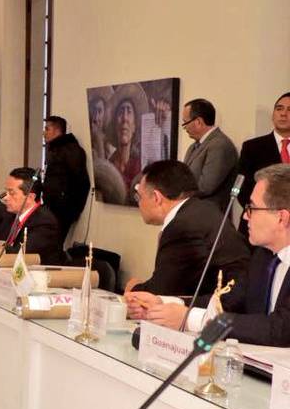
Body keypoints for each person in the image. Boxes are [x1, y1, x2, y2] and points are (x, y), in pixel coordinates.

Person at [131, 164, 290, 346]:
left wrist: (192, 320)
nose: (245, 216)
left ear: (281, 218)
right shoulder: (263, 257)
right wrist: (164, 303)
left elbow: (280, 329)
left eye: (252, 208)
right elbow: (229, 301)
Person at [123, 160, 249, 302]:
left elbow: (161, 292)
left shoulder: (182, 228)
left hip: (226, 306)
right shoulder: (203, 210)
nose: (139, 203)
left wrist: (134, 288)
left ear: (157, 198)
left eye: (139, 197)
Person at [237, 92, 290, 234]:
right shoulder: (252, 147)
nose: (283, 114)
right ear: (273, 115)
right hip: (260, 225)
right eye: (279, 109)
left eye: (289, 110)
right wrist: (266, 214)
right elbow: (243, 189)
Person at [1, 167, 67, 266]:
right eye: (6, 192)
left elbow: (21, 254)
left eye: (11, 193)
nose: (5, 198)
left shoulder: (45, 222)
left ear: (30, 197)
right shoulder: (10, 216)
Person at [181, 98, 238, 211]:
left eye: (185, 122)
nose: (184, 127)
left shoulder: (220, 145)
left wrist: (176, 192)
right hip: (193, 211)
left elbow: (206, 187)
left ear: (198, 122)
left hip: (209, 214)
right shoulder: (193, 147)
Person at [41, 115, 90, 243]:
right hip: (50, 208)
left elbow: (82, 182)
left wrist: (71, 210)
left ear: (57, 130)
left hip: (62, 210)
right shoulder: (54, 150)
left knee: (53, 245)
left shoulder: (71, 151)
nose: (44, 133)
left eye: (47, 129)